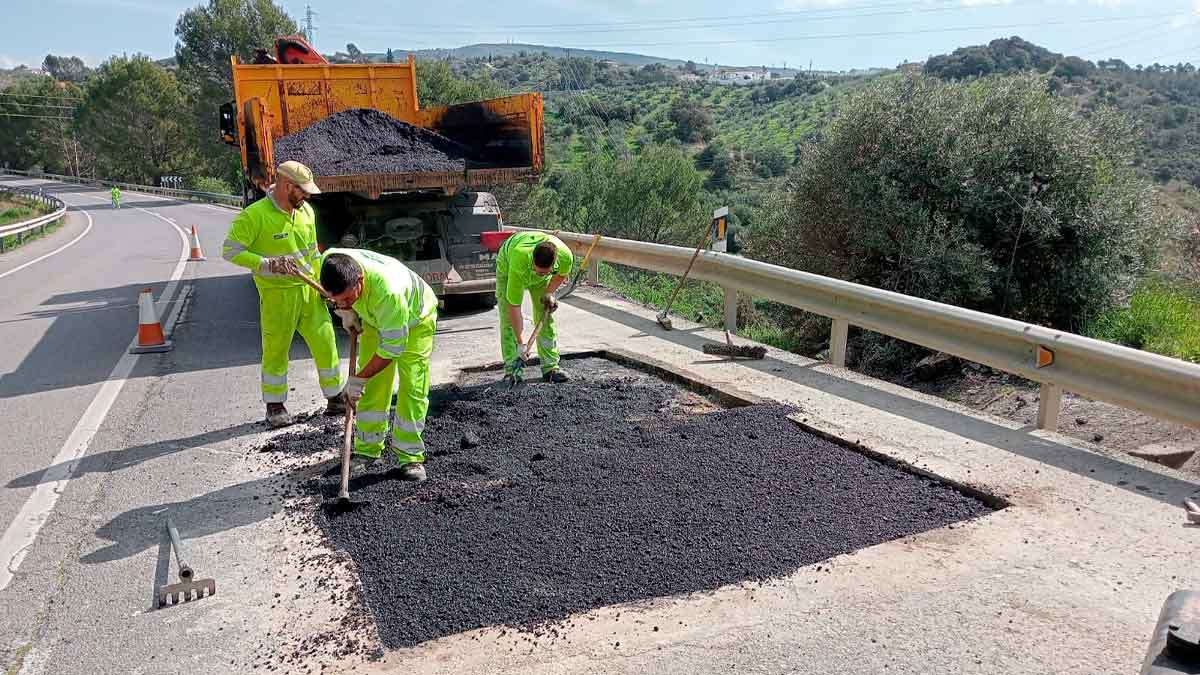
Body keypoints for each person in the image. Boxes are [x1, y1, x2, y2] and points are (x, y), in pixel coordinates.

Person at [222, 160, 345, 427]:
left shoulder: (307, 213)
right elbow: (230, 252)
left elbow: (313, 253)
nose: (308, 196)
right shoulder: (254, 216)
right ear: (287, 186)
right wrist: (267, 264)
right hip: (277, 296)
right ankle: (275, 406)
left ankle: (335, 397)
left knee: (326, 343)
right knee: (276, 351)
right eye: (303, 190)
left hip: (309, 292)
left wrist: (324, 283)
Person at [320, 248, 438, 482]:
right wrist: (346, 310)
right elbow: (335, 292)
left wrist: (358, 379)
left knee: (412, 387)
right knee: (373, 386)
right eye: (337, 299)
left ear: (360, 281)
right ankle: (367, 449)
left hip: (416, 319)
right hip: (374, 318)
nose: (342, 302)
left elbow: (393, 348)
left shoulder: (388, 292)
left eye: (347, 297)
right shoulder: (331, 261)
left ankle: (410, 455)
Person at [495, 230, 573, 387]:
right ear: (533, 260)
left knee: (545, 316)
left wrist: (549, 292)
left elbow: (562, 274)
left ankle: (550, 368)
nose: (539, 273)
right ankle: (513, 370)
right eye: (537, 270)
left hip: (540, 275)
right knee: (508, 319)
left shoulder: (565, 256)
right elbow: (514, 307)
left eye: (544, 272)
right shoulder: (520, 261)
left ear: (554, 263)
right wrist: (521, 344)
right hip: (508, 266)